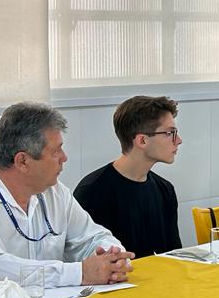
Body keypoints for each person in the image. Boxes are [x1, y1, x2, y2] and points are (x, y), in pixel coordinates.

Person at [0, 102, 134, 290]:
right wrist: (79, 273)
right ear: (23, 161)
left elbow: (92, 237)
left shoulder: (55, 192)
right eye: (56, 151)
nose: (64, 157)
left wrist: (112, 257)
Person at [73, 96, 183, 258]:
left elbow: (173, 256)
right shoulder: (92, 192)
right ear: (142, 140)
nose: (178, 140)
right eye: (170, 133)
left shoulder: (165, 189)